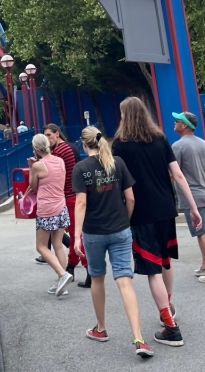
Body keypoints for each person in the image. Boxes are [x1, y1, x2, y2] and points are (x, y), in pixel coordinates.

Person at [111, 97, 203, 348]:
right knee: (165, 262)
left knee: (152, 271)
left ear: (125, 116)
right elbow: (178, 175)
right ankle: (168, 307)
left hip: (141, 214)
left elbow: (118, 183)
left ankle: (171, 327)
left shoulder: (120, 145)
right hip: (165, 209)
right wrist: (193, 208)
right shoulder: (161, 140)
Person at [72, 128, 154, 358]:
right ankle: (139, 338)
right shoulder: (117, 163)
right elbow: (131, 197)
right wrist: (125, 221)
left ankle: (101, 328)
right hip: (120, 229)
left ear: (83, 144)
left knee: (97, 278)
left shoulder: (81, 169)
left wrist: (76, 235)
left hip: (94, 232)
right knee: (125, 281)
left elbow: (81, 203)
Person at [171, 111, 205, 285]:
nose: (175, 123)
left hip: (193, 197)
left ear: (184, 125)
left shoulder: (178, 147)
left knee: (203, 234)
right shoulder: (204, 145)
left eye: (177, 121)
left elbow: (174, 174)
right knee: (204, 231)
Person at [28, 134, 74, 296]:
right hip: (61, 206)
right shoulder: (59, 161)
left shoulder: (38, 166)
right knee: (58, 245)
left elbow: (33, 187)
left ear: (35, 148)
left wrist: (31, 168)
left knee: (41, 246)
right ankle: (63, 282)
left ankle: (63, 275)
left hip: (47, 209)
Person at [43, 123, 86, 285]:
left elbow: (51, 176)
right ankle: (71, 268)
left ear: (57, 134)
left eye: (49, 135)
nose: (47, 139)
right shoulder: (71, 148)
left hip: (67, 196)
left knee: (74, 235)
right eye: (45, 136)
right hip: (73, 194)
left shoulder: (59, 151)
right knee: (74, 233)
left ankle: (82, 269)